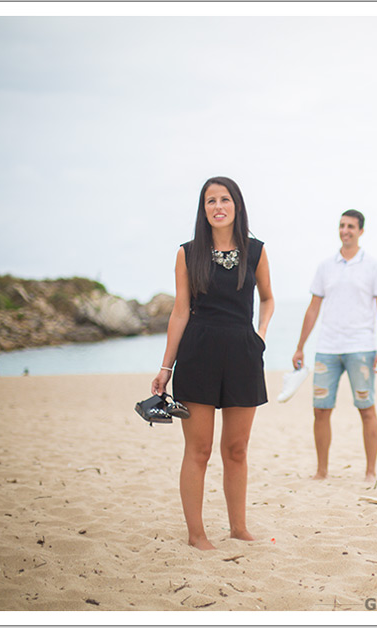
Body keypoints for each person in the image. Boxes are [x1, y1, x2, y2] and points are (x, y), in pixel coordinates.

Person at [152, 176, 274, 550]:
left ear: (236, 205)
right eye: (210, 201)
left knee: (236, 449)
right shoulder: (187, 254)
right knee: (199, 450)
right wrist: (165, 367)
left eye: (225, 199)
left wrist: (260, 337)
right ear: (203, 210)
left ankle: (238, 528)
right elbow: (179, 312)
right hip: (198, 355)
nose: (218, 207)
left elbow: (268, 299)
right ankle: (197, 534)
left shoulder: (256, 251)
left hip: (243, 355)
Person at [291, 210, 377, 483]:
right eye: (342, 225)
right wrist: (300, 346)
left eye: (351, 226)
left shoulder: (373, 266)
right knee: (320, 410)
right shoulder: (325, 266)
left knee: (366, 408)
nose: (345, 230)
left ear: (361, 231)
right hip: (327, 348)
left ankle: (370, 471)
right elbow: (313, 309)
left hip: (361, 347)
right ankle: (322, 471)